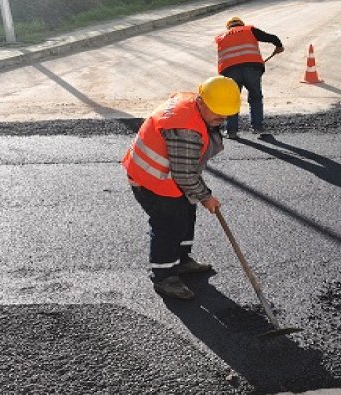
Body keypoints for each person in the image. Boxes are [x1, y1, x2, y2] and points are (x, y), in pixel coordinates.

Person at [121, 76, 241, 299]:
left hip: (170, 177)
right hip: (152, 180)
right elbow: (185, 174)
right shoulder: (185, 127)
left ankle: (182, 260)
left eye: (226, 113)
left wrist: (199, 194)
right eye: (217, 111)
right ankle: (164, 277)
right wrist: (205, 196)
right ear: (202, 102)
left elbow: (186, 170)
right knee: (169, 225)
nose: (222, 117)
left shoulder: (194, 106)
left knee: (186, 213)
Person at [215, 16, 284, 139]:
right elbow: (273, 38)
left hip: (230, 71)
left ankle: (232, 131)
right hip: (252, 69)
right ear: (241, 24)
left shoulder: (220, 37)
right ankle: (257, 127)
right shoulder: (249, 30)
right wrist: (279, 46)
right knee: (255, 97)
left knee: (232, 100)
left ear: (228, 27)